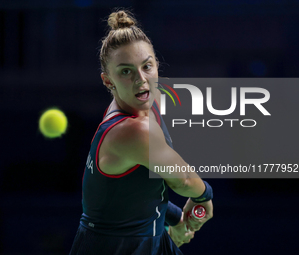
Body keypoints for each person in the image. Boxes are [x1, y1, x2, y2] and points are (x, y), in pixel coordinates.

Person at [69, 9, 213, 255]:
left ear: (157, 63)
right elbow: (183, 180)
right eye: (126, 71)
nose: (141, 79)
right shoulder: (133, 131)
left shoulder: (145, 99)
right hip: (111, 248)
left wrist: (175, 219)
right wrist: (204, 197)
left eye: (147, 66)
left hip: (148, 237)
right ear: (108, 81)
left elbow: (129, 192)